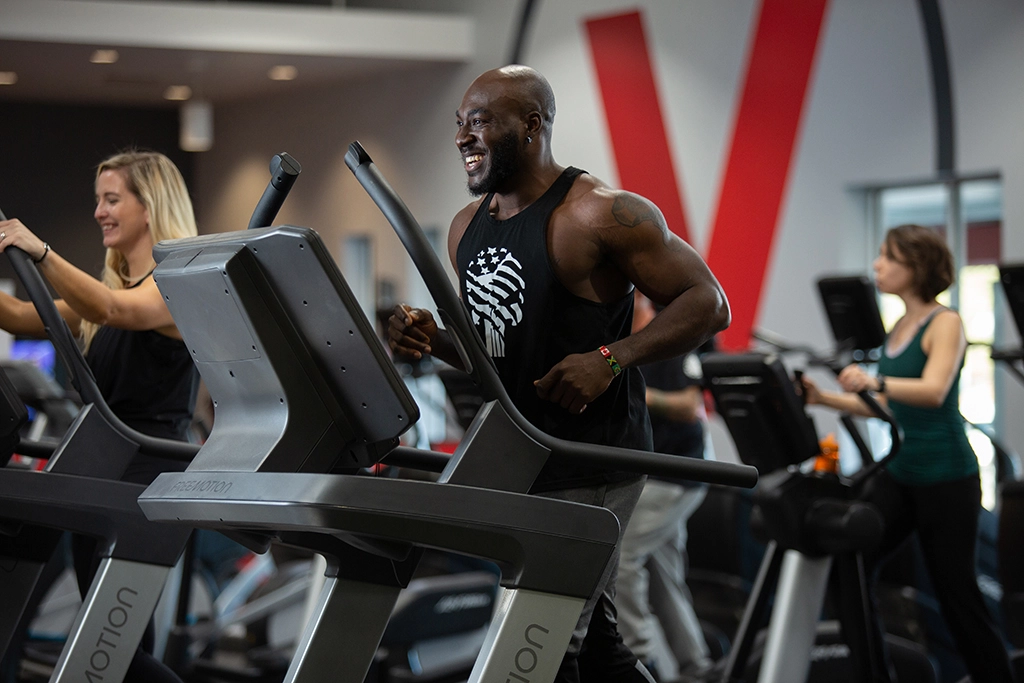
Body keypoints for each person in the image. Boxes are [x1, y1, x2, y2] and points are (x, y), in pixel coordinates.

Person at [388, 65, 729, 683]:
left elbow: (709, 302)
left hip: (591, 460)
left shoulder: (599, 214)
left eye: (481, 122)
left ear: (532, 125)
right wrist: (433, 340)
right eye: (460, 124)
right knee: (595, 644)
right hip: (521, 456)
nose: (463, 137)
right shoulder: (468, 228)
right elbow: (491, 352)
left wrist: (611, 358)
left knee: (538, 646)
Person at [0, 149, 199, 683]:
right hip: (103, 466)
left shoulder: (177, 288)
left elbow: (115, 310)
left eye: (112, 200)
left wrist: (38, 250)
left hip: (144, 472)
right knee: (116, 641)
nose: (99, 212)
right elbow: (22, 317)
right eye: (98, 200)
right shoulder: (111, 294)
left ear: (150, 207)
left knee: (116, 649)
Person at [800, 224, 1016, 683]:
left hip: (946, 476)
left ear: (916, 267)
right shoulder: (899, 325)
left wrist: (874, 381)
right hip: (901, 473)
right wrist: (824, 399)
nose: (877, 265)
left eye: (889, 258)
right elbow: (887, 405)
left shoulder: (946, 322)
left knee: (958, 598)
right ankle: (875, 675)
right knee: (849, 563)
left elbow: (933, 391)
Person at [615, 291, 713, 683]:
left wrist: (631, 389)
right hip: (645, 474)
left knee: (620, 557)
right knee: (661, 571)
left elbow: (690, 406)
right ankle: (696, 666)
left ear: (644, 303)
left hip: (675, 476)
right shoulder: (622, 347)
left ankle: (639, 659)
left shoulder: (667, 342)